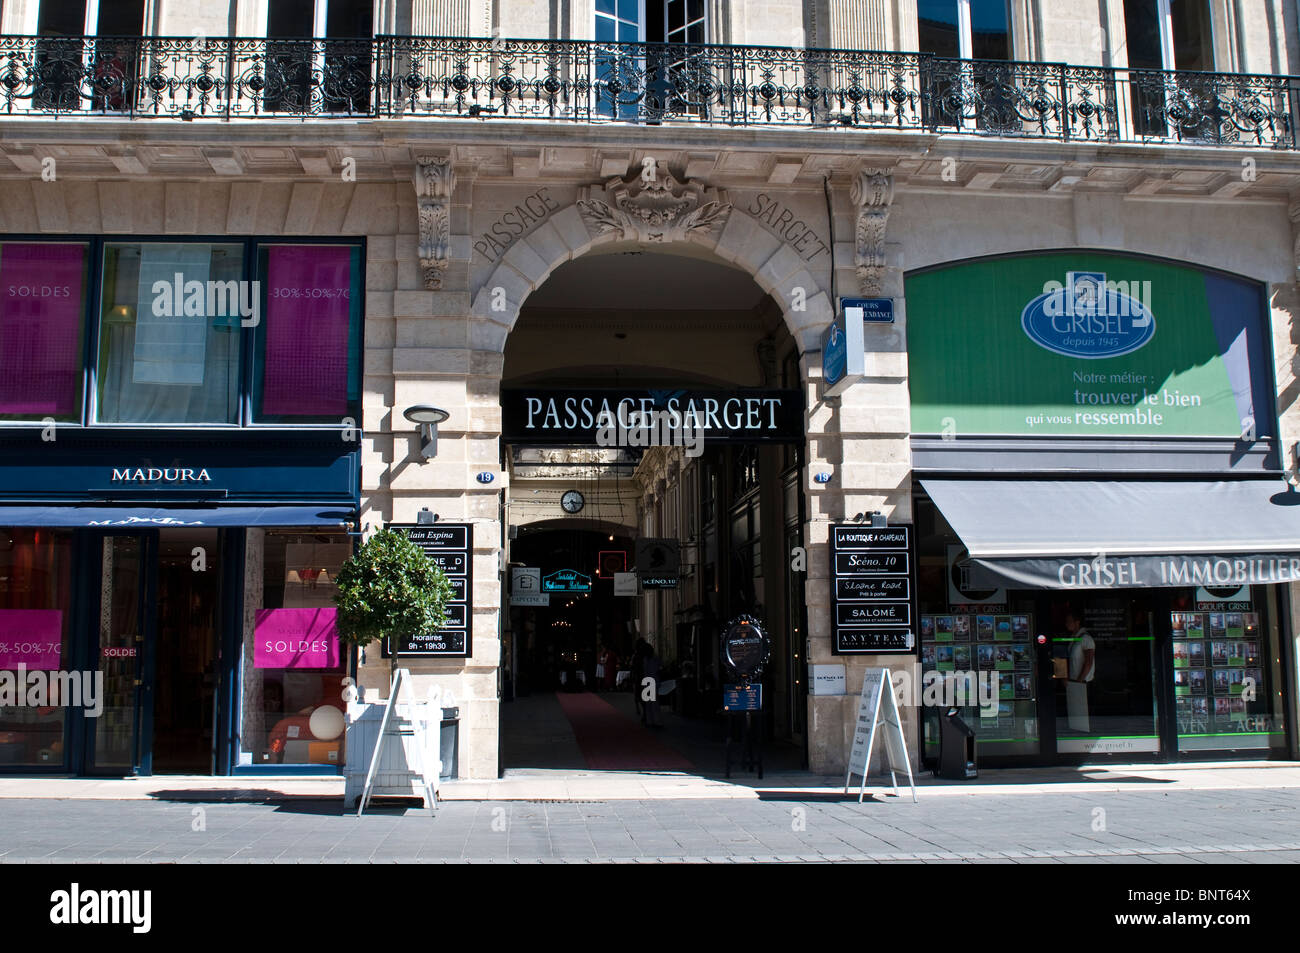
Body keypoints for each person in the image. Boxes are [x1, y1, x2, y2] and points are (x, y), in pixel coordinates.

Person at [1064, 609, 1095, 732]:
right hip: (1075, 682)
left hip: (1082, 682)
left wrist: (1079, 681)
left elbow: (1088, 662)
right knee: (1076, 714)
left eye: (1069, 621)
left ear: (1077, 622)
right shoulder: (1073, 638)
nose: (1066, 624)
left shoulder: (1086, 638)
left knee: (1083, 713)